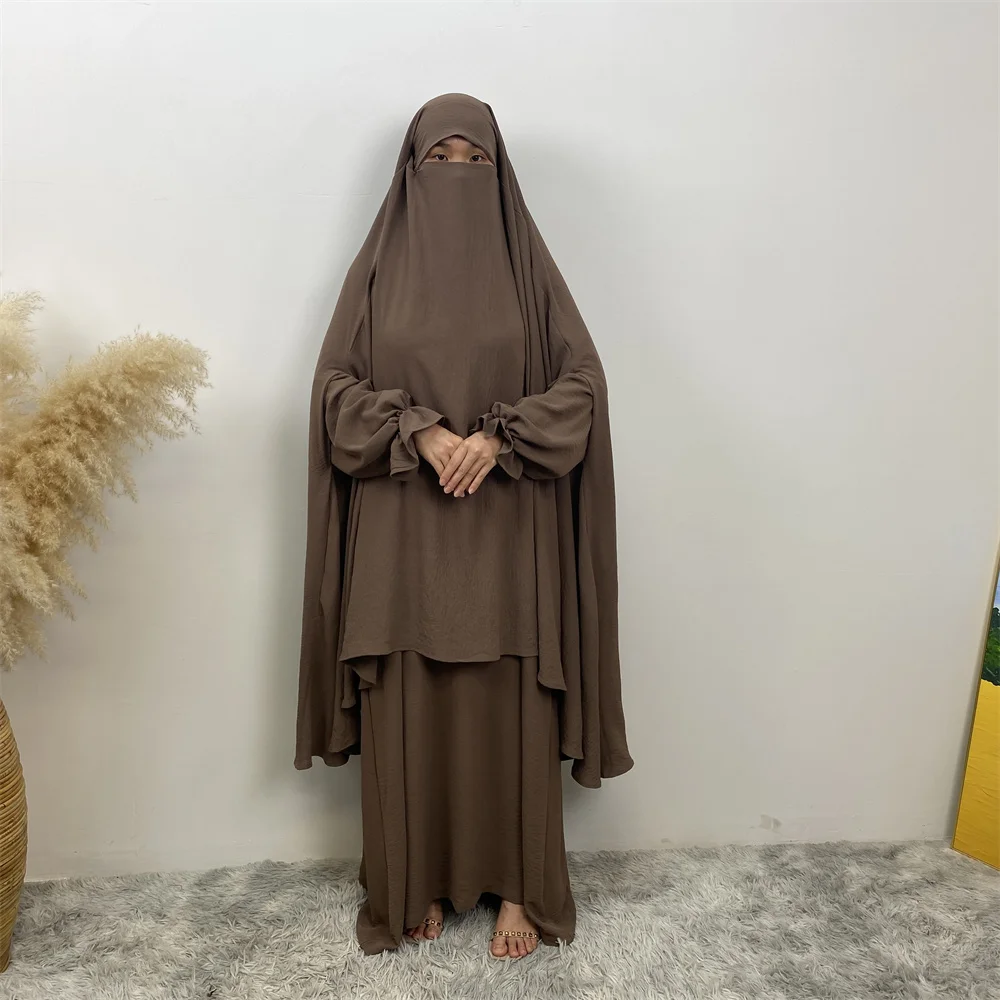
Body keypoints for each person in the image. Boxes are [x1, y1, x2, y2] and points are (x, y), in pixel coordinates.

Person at [295, 93, 633, 960]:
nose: (456, 175)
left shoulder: (528, 272)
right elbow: (334, 395)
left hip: (508, 533)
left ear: (500, 172)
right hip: (403, 540)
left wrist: (499, 439)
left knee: (511, 706)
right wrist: (419, 430)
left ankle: (518, 890)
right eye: (437, 160)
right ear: (409, 174)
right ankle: (415, 882)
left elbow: (583, 387)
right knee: (411, 704)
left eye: (474, 161)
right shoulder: (377, 272)